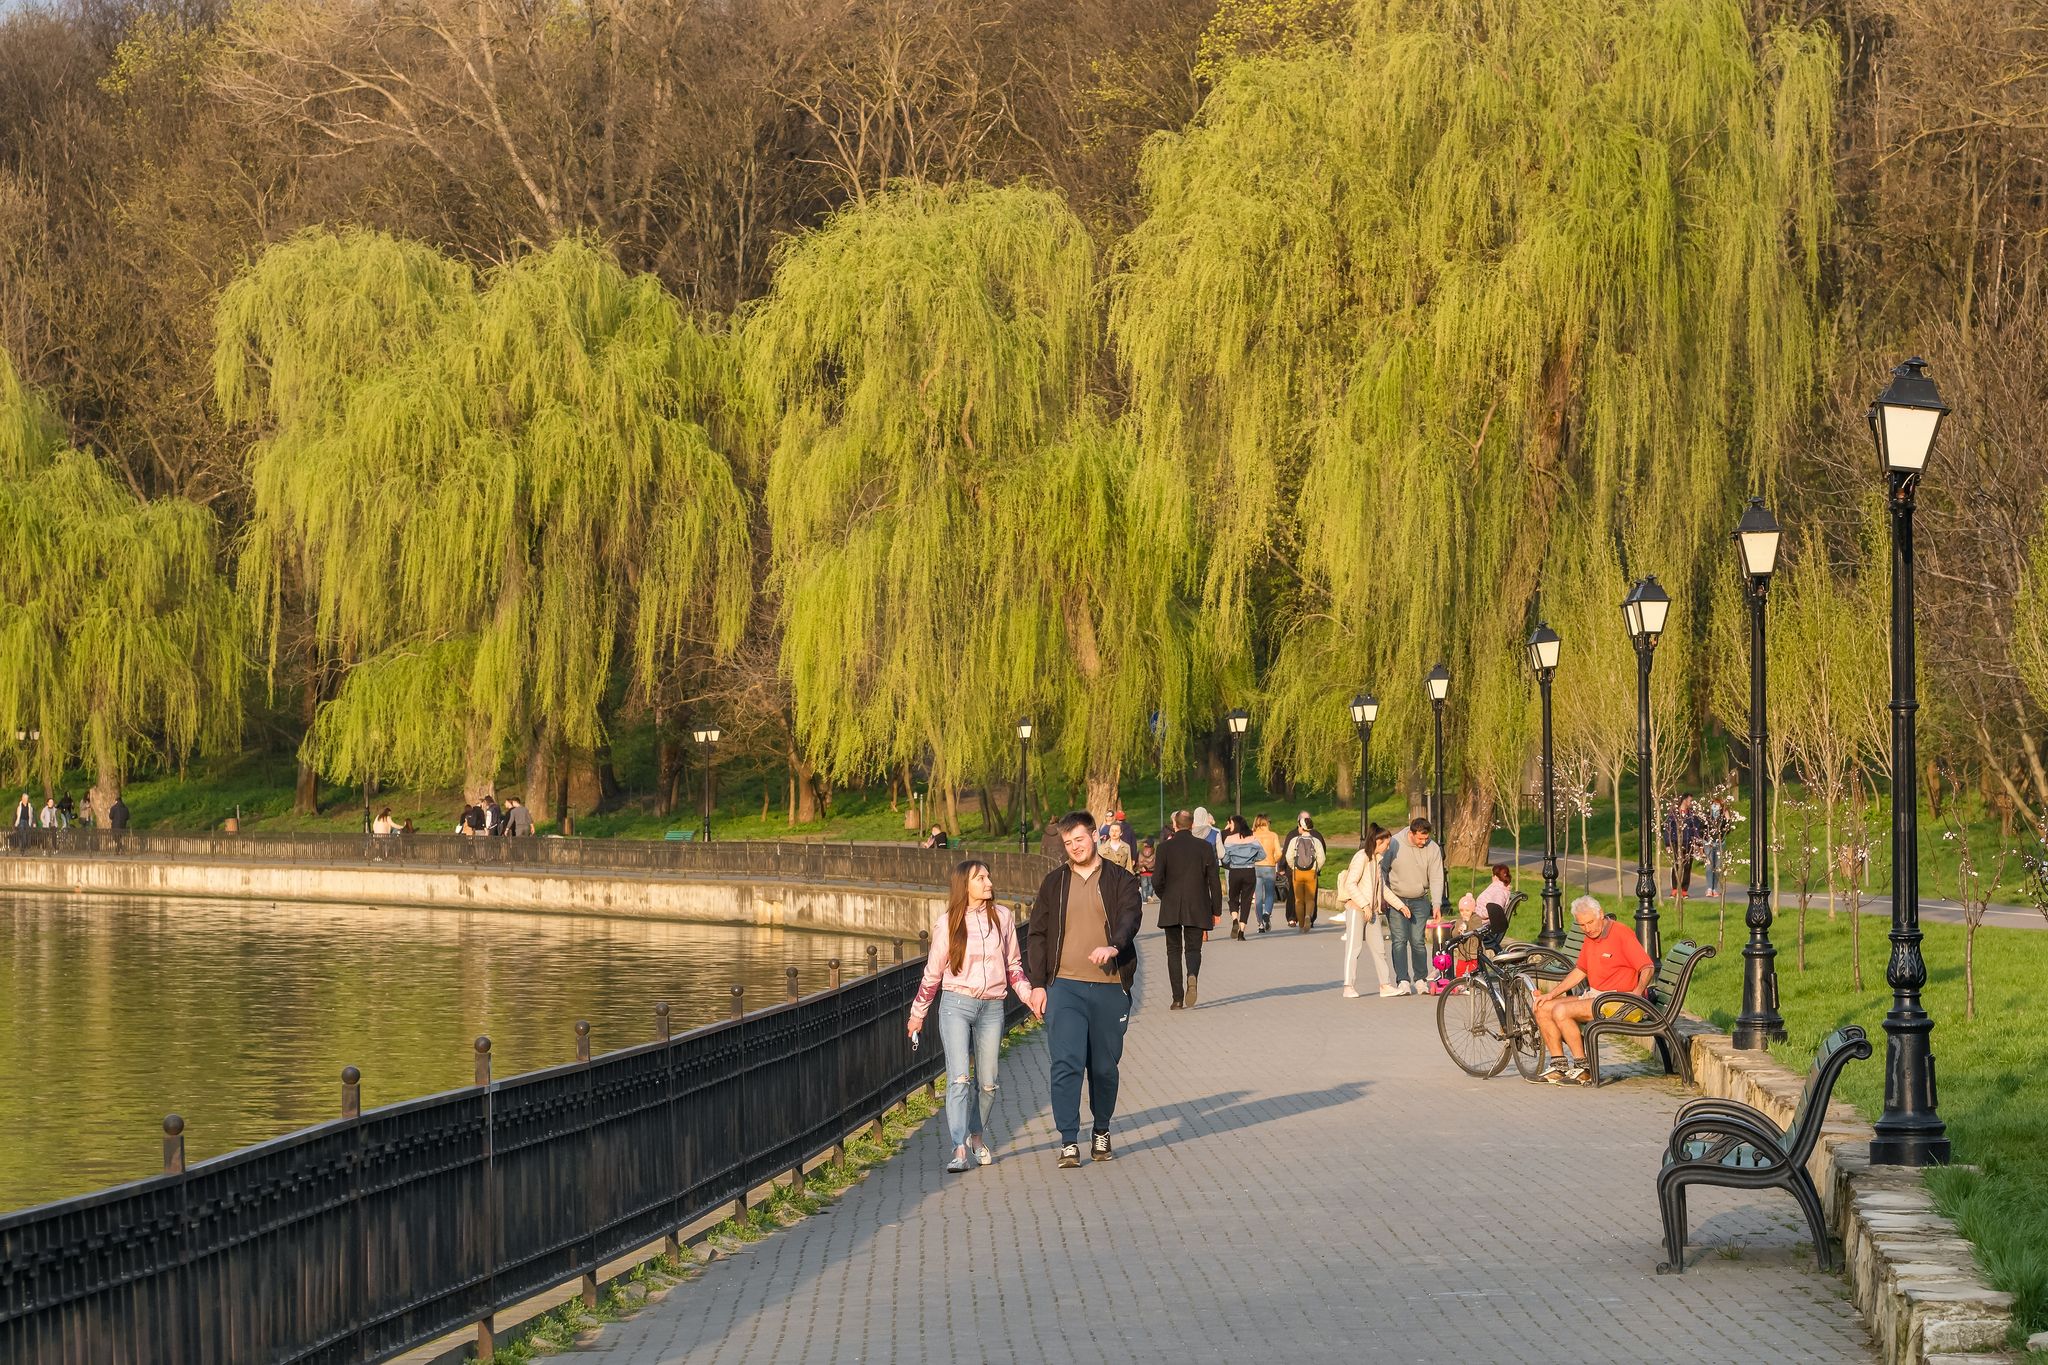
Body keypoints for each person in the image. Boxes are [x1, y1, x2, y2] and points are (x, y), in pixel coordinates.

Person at [907, 860, 1043, 1172]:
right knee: (959, 1079)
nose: (988, 881)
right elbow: (932, 974)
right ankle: (958, 1148)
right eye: (979, 878)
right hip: (957, 1004)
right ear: (964, 886)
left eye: (988, 876)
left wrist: (1029, 998)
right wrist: (918, 1014)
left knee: (989, 1083)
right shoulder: (948, 923)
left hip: (993, 1007)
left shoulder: (1004, 918)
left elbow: (1014, 967)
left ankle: (976, 1136)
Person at [1026, 812, 1142, 1167]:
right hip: (1065, 987)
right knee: (1066, 1063)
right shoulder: (1054, 883)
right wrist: (1037, 985)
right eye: (1068, 843)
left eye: (1079, 839)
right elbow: (1038, 933)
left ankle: (1102, 1130)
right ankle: (1068, 1140)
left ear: (1095, 836)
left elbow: (1130, 917)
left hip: (1109, 987)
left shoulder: (1120, 879)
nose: (1074, 847)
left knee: (1105, 1068)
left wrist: (1114, 945)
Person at [1531, 895, 1654, 1084]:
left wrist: (1637, 993)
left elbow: (1648, 967)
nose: (1588, 928)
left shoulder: (1621, 933)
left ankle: (1584, 1069)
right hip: (1596, 996)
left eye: (1590, 922)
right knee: (1542, 1007)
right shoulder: (1590, 936)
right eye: (1582, 925)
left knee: (1561, 1011)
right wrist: (1551, 994)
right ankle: (1559, 1066)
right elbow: (1581, 970)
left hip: (1620, 1000)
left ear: (1601, 914)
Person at [1153, 810, 1223, 1009]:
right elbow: (1214, 881)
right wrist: (1215, 910)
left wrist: (1165, 897)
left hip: (1171, 906)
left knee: (1173, 951)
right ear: (1192, 825)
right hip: (1197, 905)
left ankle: (1177, 998)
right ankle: (1192, 974)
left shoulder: (1165, 848)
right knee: (1193, 948)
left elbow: (1156, 879)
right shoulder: (1204, 847)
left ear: (1174, 825)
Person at [1379, 817, 1444, 994]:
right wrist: (1385, 896)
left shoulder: (1433, 848)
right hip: (1397, 899)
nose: (1424, 842)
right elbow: (1382, 869)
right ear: (1411, 833)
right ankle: (1403, 980)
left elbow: (1437, 876)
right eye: (1420, 838)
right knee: (1399, 940)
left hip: (1419, 899)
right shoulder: (1395, 844)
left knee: (1417, 941)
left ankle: (1421, 979)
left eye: (1426, 838)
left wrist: (1436, 903)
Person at [1337, 824, 1402, 997]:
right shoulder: (1361, 857)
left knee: (1379, 949)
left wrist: (1400, 905)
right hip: (1357, 909)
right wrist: (1364, 905)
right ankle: (1348, 986)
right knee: (1354, 948)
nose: (1388, 848)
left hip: (1372, 912)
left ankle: (1385, 985)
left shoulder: (1377, 861)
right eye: (1386, 844)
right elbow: (1351, 883)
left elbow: (1382, 890)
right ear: (1377, 841)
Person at [1220, 814, 1262, 941]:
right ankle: (1242, 932)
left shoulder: (1229, 840)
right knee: (1246, 900)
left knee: (1233, 897)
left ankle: (1234, 920)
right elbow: (1262, 854)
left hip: (1235, 871)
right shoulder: (1253, 838)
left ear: (1236, 825)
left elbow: (1225, 858)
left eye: (1231, 824)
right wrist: (1251, 859)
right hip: (1249, 871)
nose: (1229, 826)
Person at [1282, 814, 1325, 933]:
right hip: (1311, 873)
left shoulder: (1294, 840)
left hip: (1298, 872)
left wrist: (1293, 867)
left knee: (1299, 900)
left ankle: (1301, 924)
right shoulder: (1316, 841)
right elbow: (1322, 858)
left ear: (1301, 827)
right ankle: (1308, 917)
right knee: (1310, 899)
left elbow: (1288, 856)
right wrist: (1316, 868)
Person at [1663, 795, 1703, 915]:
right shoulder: (1673, 814)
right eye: (1690, 800)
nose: (1691, 802)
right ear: (1684, 800)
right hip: (1676, 841)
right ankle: (1675, 889)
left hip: (1688, 842)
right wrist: (1667, 843)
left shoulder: (1692, 815)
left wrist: (1697, 843)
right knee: (1677, 864)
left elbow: (1696, 829)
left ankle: (1684, 889)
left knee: (1687, 866)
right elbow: (1667, 828)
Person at [1250, 813, 1282, 933]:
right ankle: (1267, 913)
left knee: (1258, 897)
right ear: (1267, 823)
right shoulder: (1273, 835)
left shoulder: (1253, 835)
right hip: (1269, 866)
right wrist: (1274, 860)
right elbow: (1279, 853)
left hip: (1256, 867)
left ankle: (1260, 925)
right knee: (1269, 894)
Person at [1474, 863, 1514, 940]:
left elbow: (1494, 910)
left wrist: (1476, 913)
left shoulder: (1499, 891)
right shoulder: (1499, 888)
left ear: (1495, 876)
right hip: (1480, 923)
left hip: (1483, 927)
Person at [1702, 796, 1729, 897]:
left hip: (1720, 843)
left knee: (1717, 866)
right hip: (1708, 842)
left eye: (1717, 805)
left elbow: (1728, 830)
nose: (1715, 806)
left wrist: (1728, 818)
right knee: (1710, 865)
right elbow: (1702, 828)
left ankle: (1714, 888)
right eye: (1713, 804)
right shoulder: (1707, 816)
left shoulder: (1723, 818)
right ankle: (1709, 888)